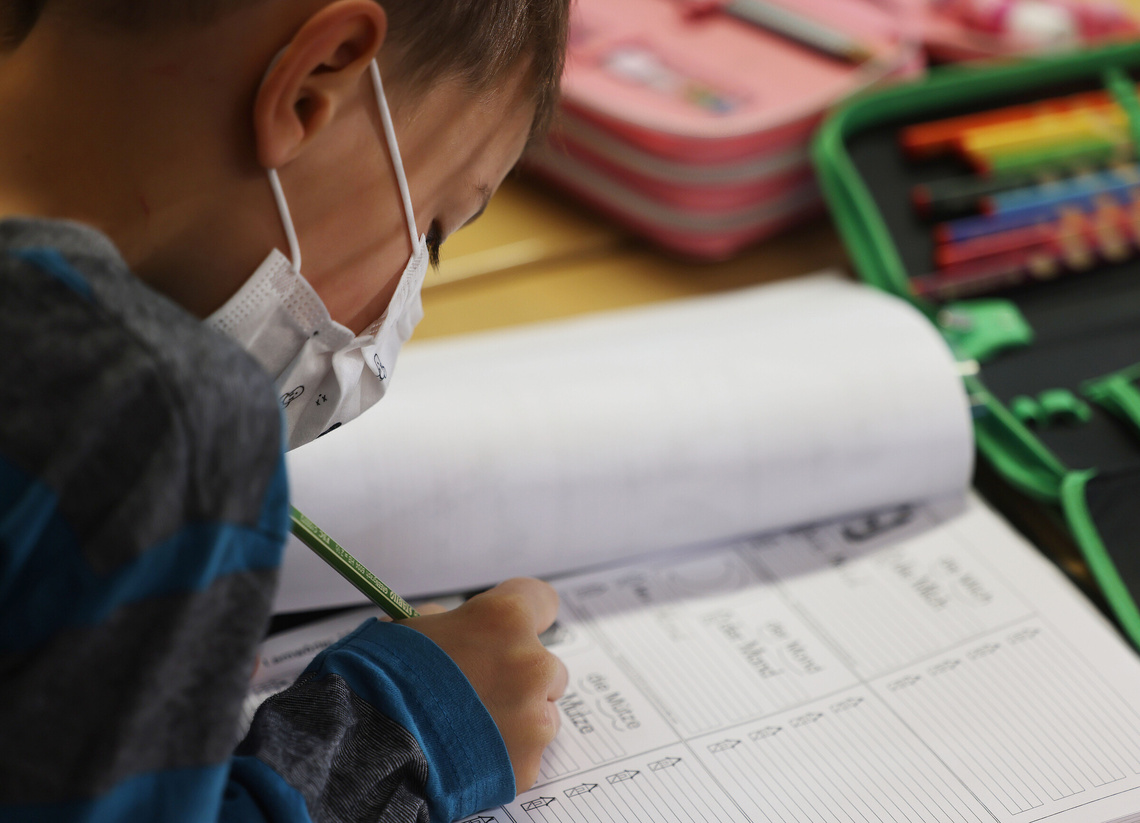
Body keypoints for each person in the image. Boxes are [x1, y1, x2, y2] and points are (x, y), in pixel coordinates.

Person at [0, 0, 570, 820]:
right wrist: (405, 726)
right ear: (312, 84)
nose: (404, 301)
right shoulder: (161, 423)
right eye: (435, 230)